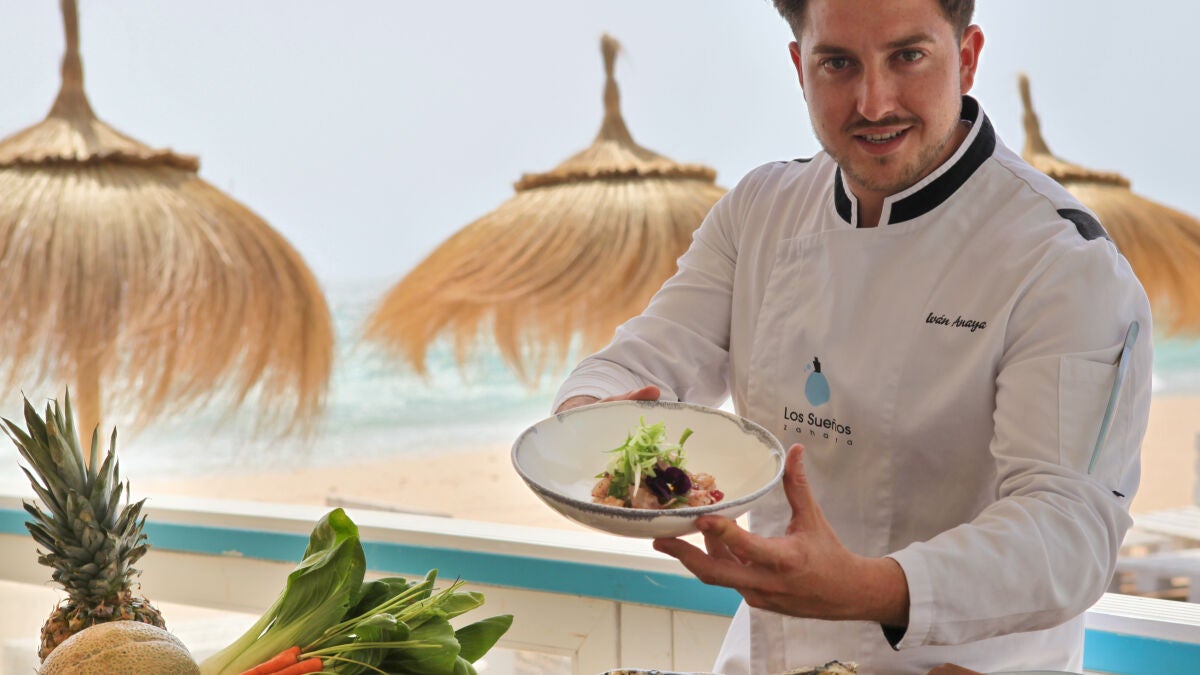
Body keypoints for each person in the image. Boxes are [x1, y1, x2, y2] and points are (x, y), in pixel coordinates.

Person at [551, 0, 1154, 672]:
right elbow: (646, 357)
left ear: (967, 57)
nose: (873, 103)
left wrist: (865, 589)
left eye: (908, 56)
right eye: (838, 63)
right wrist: (587, 417)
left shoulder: (1063, 260)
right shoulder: (760, 211)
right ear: (799, 68)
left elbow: (1068, 533)